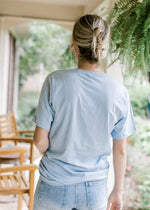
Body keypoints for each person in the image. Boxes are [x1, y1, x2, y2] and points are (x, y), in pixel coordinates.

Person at [33, 14, 136, 210]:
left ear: (74, 45)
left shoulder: (55, 81)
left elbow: (40, 141)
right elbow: (120, 149)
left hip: (54, 183)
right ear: (103, 47)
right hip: (94, 189)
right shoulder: (119, 91)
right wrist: (118, 191)